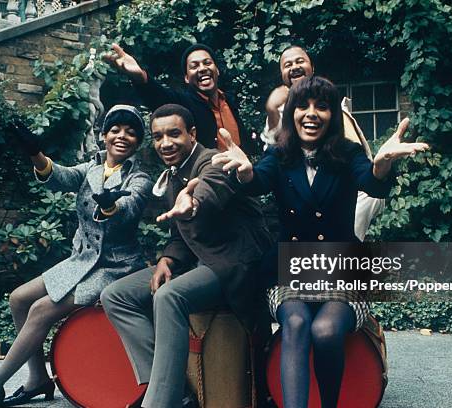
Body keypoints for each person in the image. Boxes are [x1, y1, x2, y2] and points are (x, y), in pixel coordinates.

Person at [212, 76, 428, 408]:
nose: (312, 114)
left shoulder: (347, 152)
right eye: (303, 106)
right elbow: (258, 181)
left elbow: (370, 181)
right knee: (296, 322)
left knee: (326, 330)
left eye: (322, 106)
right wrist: (244, 172)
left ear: (332, 115)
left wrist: (382, 165)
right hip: (291, 269)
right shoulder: (279, 154)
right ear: (291, 113)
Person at [0, 105, 153, 408]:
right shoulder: (92, 169)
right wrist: (36, 153)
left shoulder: (139, 178)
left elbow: (131, 207)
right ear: (103, 135)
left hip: (115, 267)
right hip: (83, 260)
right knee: (18, 299)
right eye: (115, 129)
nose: (122, 136)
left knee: (40, 310)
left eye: (131, 132)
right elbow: (60, 177)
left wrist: (111, 206)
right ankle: (37, 379)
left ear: (138, 141)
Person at [100, 103, 271, 408]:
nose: (165, 143)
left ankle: (160, 403)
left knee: (169, 297)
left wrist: (192, 202)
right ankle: (172, 389)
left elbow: (210, 187)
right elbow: (181, 236)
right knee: (115, 295)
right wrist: (167, 260)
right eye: (158, 136)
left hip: (232, 262)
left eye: (174, 134)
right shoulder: (173, 173)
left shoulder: (213, 161)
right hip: (197, 261)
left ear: (192, 134)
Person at [261, 45, 385, 241]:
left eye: (300, 61)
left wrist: (381, 168)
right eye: (288, 64)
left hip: (345, 197)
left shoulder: (332, 108)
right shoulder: (280, 111)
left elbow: (350, 161)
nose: (294, 67)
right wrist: (271, 111)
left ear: (312, 67)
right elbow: (274, 157)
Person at [104, 43, 258, 154]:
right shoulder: (184, 104)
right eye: (194, 66)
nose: (202, 68)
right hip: (209, 182)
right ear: (186, 77)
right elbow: (158, 96)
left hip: (241, 177)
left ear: (216, 70)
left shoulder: (229, 101)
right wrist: (141, 78)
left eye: (207, 63)